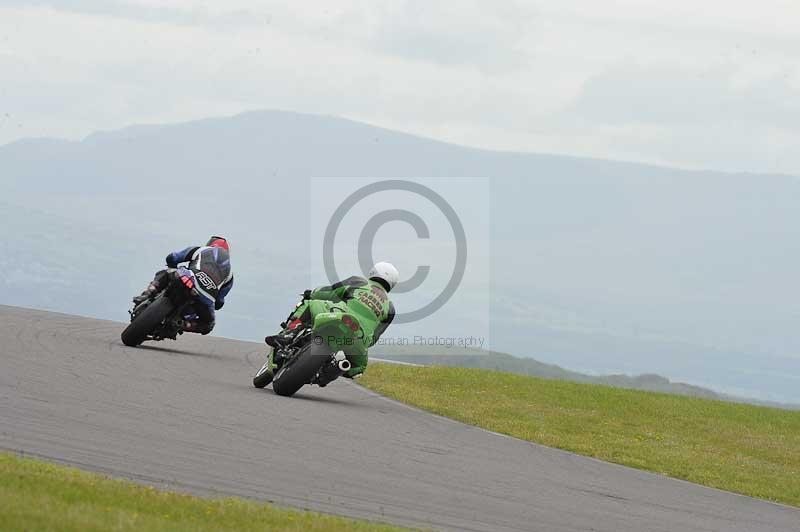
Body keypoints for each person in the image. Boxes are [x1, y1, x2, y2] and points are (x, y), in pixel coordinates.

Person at [265, 262, 398, 378]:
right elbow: (374, 337)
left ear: (373, 272)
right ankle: (333, 370)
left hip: (340, 315)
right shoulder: (390, 309)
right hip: (359, 339)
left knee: (310, 304)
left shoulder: (359, 281)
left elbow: (330, 292)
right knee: (358, 369)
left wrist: (311, 293)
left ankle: (289, 334)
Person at [133, 236, 233, 335]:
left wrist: (172, 265)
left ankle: (148, 293)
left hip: (188, 279)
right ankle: (184, 324)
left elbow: (173, 257)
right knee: (208, 325)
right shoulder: (230, 275)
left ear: (210, 244)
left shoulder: (202, 250)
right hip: (205, 298)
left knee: (164, 273)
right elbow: (219, 302)